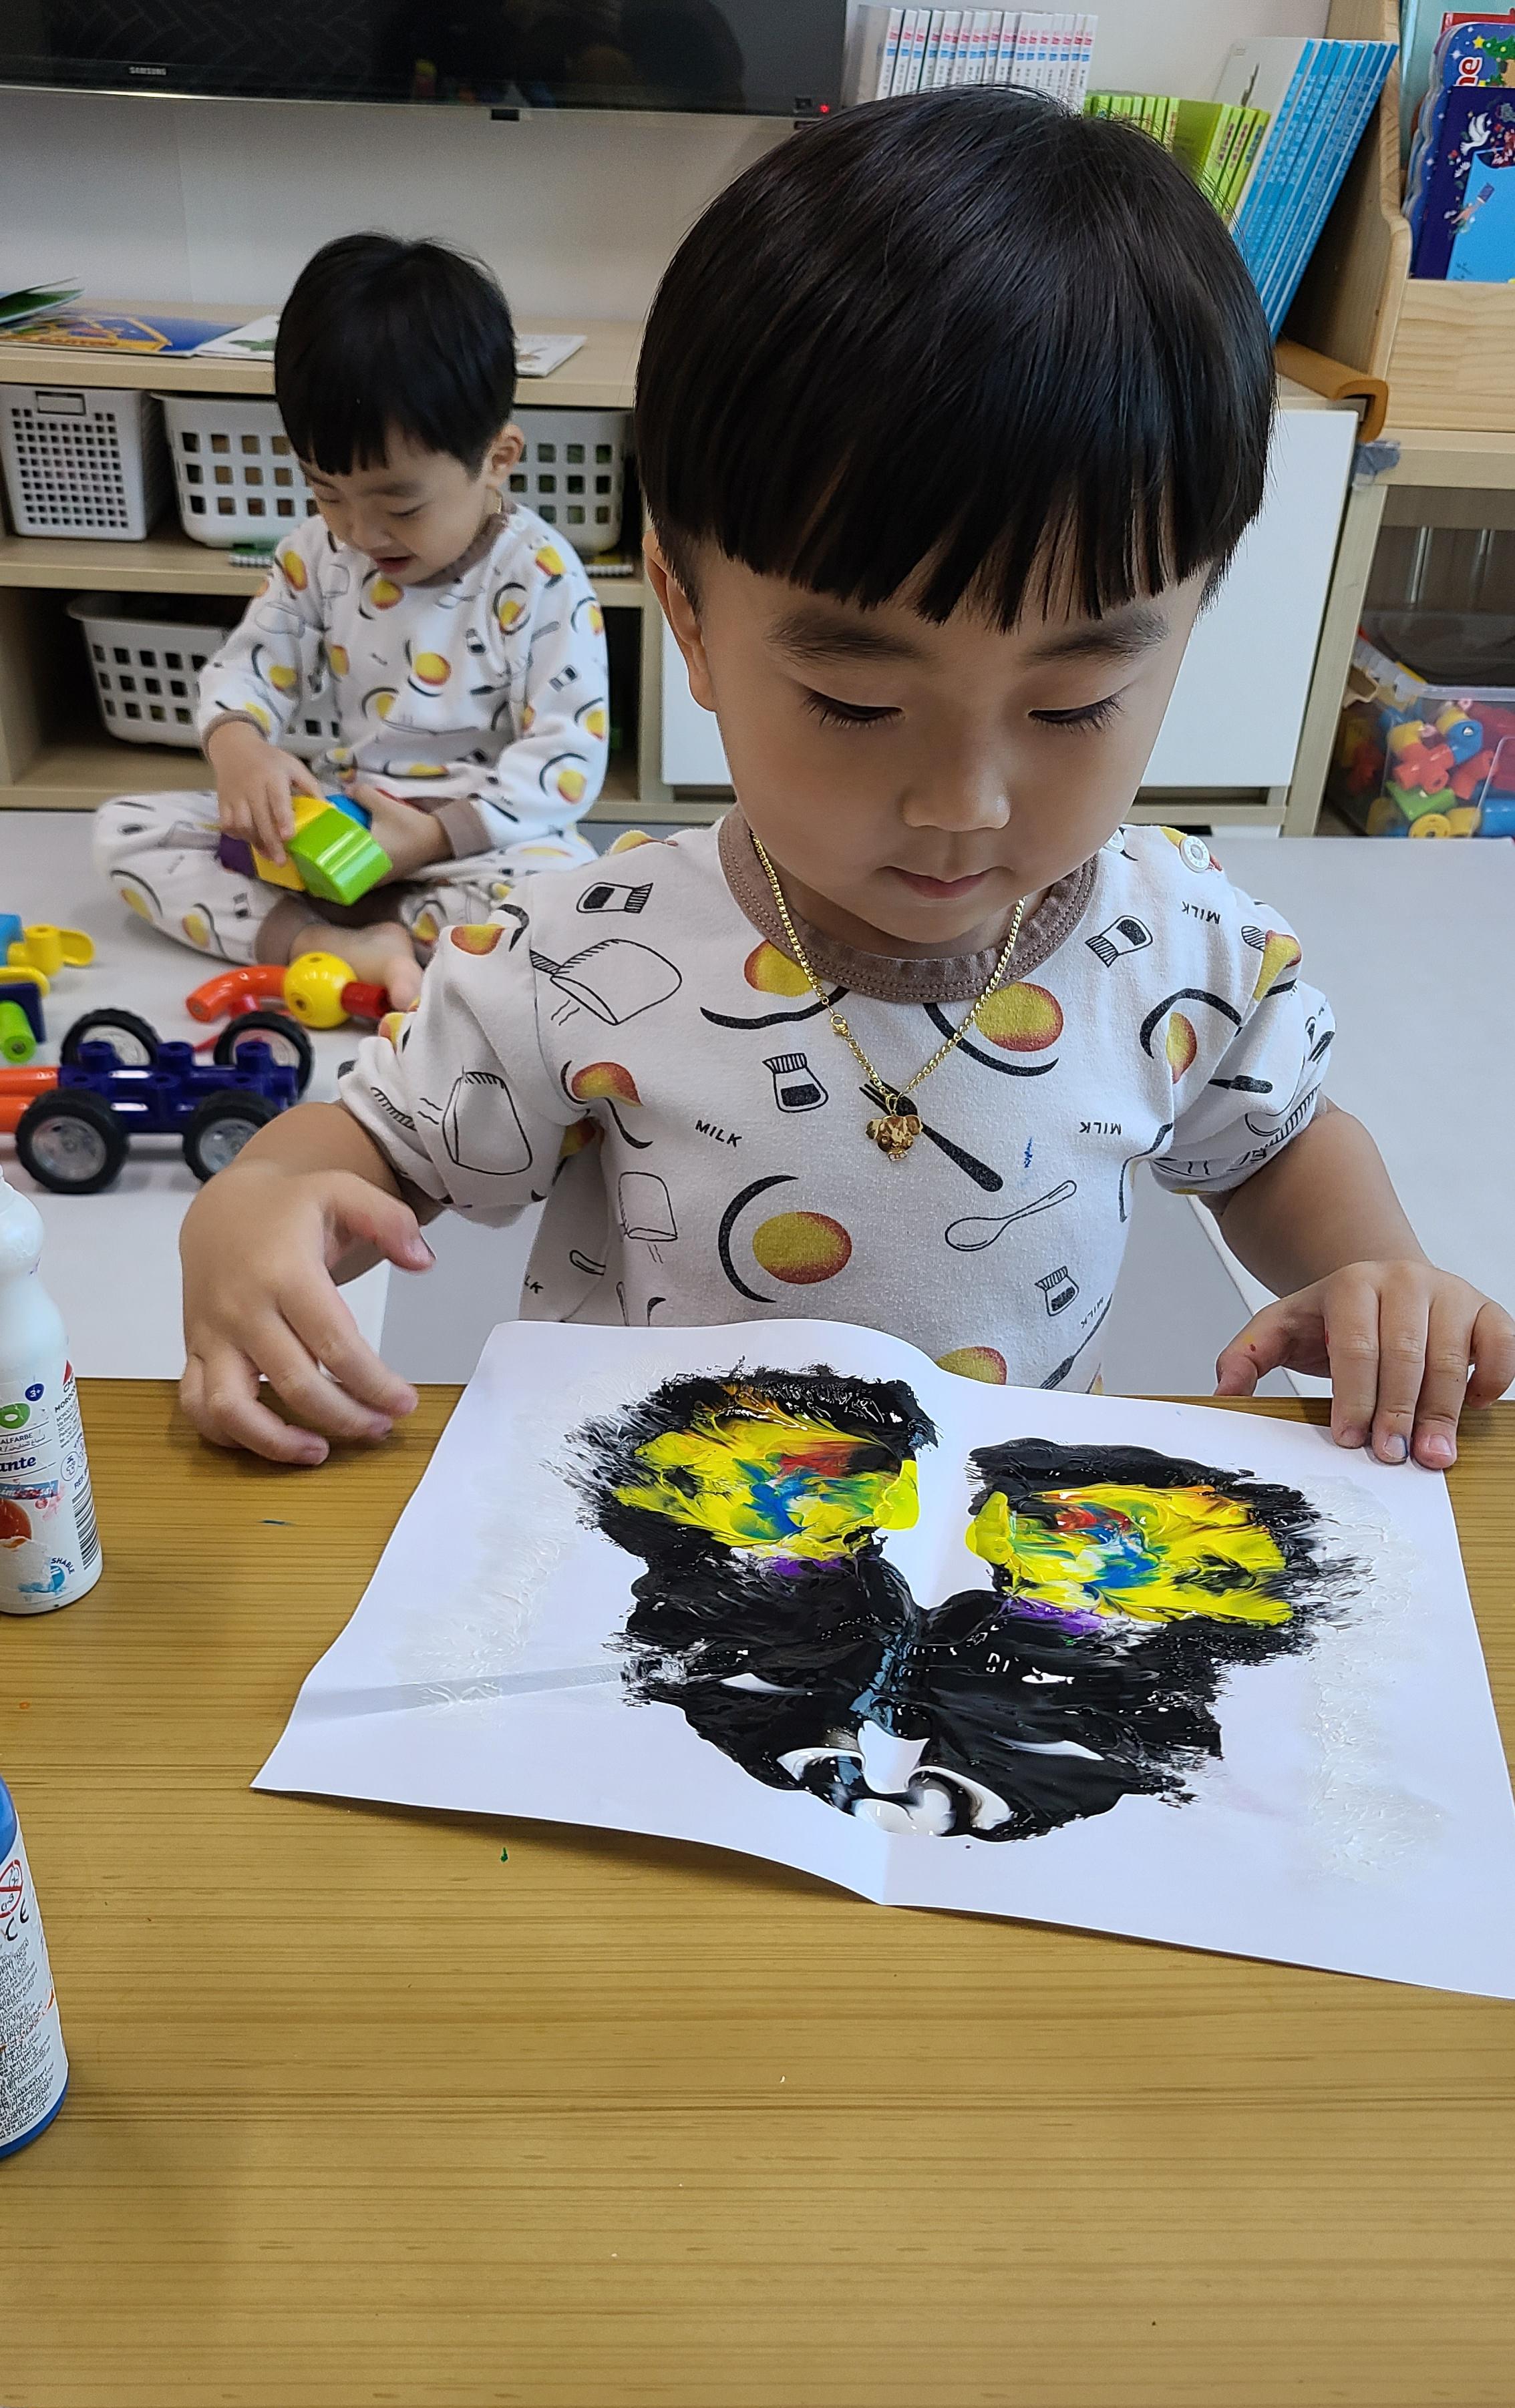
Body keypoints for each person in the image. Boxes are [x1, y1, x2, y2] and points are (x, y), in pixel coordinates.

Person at [178, 89, 1514, 1469]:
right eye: (857, 703)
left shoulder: (1178, 950)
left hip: (1003, 1556)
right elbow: (368, 1151)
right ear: (691, 622)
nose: (964, 803)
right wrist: (255, 1211)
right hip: (666, 1540)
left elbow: (1275, 1147)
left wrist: (1377, 1279)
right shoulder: (585, 957)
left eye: (1072, 703)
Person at [94, 234, 610, 1009]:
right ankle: (334, 944)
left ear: (497, 459)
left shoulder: (537, 573)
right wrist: (239, 749)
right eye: (327, 492)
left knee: (570, 897)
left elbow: (566, 756)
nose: (361, 532)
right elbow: (248, 667)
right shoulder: (319, 556)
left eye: (400, 504)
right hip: (338, 828)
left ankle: (398, 929)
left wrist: (432, 837)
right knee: (128, 830)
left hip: (472, 846)